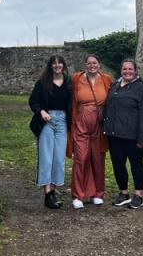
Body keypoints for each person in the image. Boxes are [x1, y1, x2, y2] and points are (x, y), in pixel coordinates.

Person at [103, 58, 143, 210]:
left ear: (135, 71)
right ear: (121, 70)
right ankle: (123, 193)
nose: (127, 72)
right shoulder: (115, 86)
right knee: (118, 165)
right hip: (114, 135)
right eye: (124, 69)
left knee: (136, 164)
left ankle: (138, 195)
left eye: (130, 69)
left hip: (133, 137)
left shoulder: (142, 89)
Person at [68, 54, 114, 209]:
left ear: (99, 64)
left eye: (94, 63)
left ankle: (97, 193)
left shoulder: (107, 79)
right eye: (89, 63)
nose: (92, 65)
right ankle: (78, 195)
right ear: (85, 65)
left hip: (100, 125)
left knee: (98, 158)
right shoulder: (76, 78)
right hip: (81, 123)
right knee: (81, 158)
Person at [29, 55, 72, 210]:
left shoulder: (68, 82)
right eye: (54, 63)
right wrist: (41, 111)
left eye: (59, 63)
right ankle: (47, 194)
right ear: (50, 66)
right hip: (47, 121)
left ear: (63, 65)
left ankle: (53, 190)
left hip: (62, 122)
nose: (57, 65)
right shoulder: (43, 82)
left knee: (59, 159)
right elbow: (33, 101)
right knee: (46, 158)